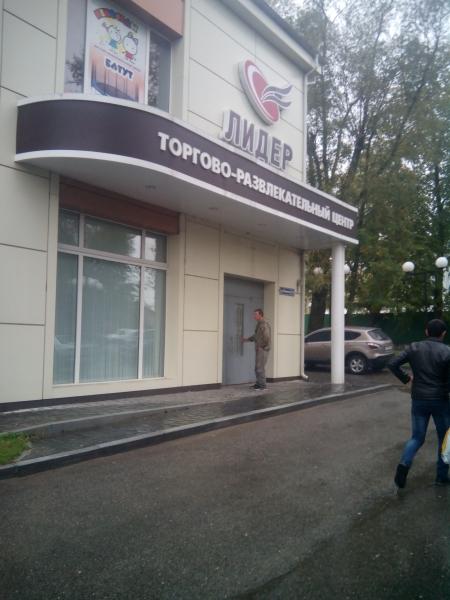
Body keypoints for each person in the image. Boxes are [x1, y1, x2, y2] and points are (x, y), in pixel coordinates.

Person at [388, 318, 450, 489]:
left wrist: (407, 378)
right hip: (441, 401)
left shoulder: (414, 347)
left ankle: (404, 465)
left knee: (417, 437)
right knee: (444, 439)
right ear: (444, 333)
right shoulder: (447, 351)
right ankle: (441, 477)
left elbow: (392, 364)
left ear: (426, 332)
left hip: (419, 399)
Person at [242, 308, 271, 390]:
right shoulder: (259, 324)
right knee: (257, 367)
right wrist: (247, 339)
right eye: (254, 314)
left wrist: (262, 346)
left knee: (260, 367)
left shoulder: (264, 324)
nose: (254, 316)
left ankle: (263, 386)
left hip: (263, 349)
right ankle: (258, 384)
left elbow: (267, 337)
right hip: (260, 349)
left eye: (255, 314)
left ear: (260, 315)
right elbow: (256, 336)